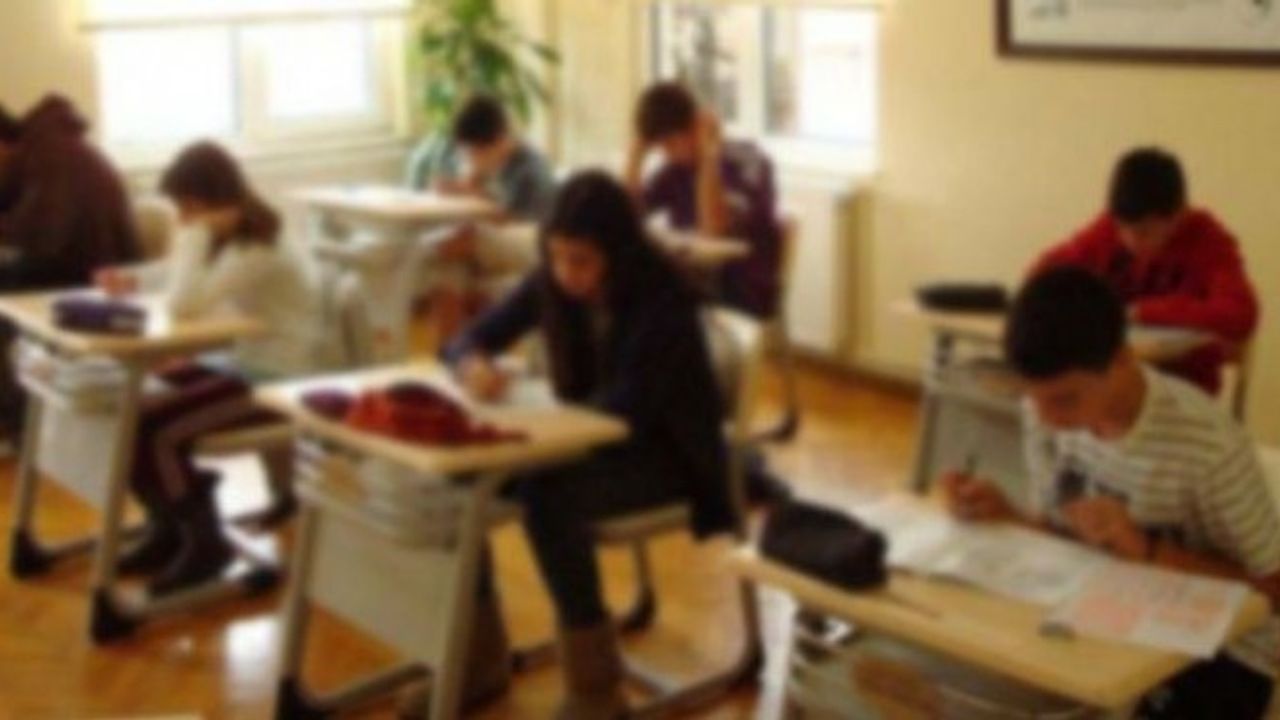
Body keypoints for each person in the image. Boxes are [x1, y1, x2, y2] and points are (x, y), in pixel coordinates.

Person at [437, 171, 735, 718]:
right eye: (555, 256)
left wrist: (537, 435)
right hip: (588, 441)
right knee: (462, 476)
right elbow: (466, 339)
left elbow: (626, 413)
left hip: (669, 458)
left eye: (581, 260)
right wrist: (471, 361)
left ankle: (596, 689)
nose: (565, 272)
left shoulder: (662, 302)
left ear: (618, 253)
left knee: (546, 499)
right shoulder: (555, 279)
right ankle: (476, 657)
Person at [943, 267, 1280, 720]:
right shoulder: (1044, 411)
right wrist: (1007, 513)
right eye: (1032, 397)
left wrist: (1146, 549)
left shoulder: (1209, 446)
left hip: (1227, 652)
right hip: (1103, 610)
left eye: (1065, 400)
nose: (1046, 419)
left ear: (1123, 359)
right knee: (970, 674)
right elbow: (1063, 535)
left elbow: (1271, 591)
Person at [95, 142, 322, 596]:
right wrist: (134, 280)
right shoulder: (234, 235)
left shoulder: (259, 245)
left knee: (159, 430)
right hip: (241, 363)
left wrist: (194, 236)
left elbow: (185, 304)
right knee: (136, 407)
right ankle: (168, 528)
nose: (182, 220)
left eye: (187, 209)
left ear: (211, 199)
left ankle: (205, 543)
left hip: (276, 380)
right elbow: (179, 275)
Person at [1030, 147, 1259, 395]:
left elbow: (1240, 313)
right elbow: (1045, 272)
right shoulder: (1109, 226)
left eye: (1144, 232)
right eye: (1121, 228)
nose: (1129, 240)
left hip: (1182, 389)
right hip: (1113, 381)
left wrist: (1143, 312)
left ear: (1178, 216)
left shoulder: (1208, 239)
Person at [0, 95, 142, 439]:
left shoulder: (54, 155)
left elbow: (44, 236)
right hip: (68, 265)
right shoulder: (34, 154)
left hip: (94, 275)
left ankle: (20, 424)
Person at [625, 81, 782, 319]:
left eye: (671, 143)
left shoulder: (749, 160)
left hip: (739, 292)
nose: (667, 154)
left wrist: (709, 157)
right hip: (691, 286)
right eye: (660, 147)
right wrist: (635, 156)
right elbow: (626, 218)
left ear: (696, 126)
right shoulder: (674, 170)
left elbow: (713, 229)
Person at [423, 95, 558, 342]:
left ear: (499, 140)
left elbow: (517, 218)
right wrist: (463, 185)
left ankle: (457, 346)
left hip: (536, 239)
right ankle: (450, 349)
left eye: (475, 151)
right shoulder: (495, 165)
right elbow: (483, 196)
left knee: (453, 244)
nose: (471, 157)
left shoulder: (530, 168)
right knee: (448, 266)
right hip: (502, 238)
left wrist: (475, 194)